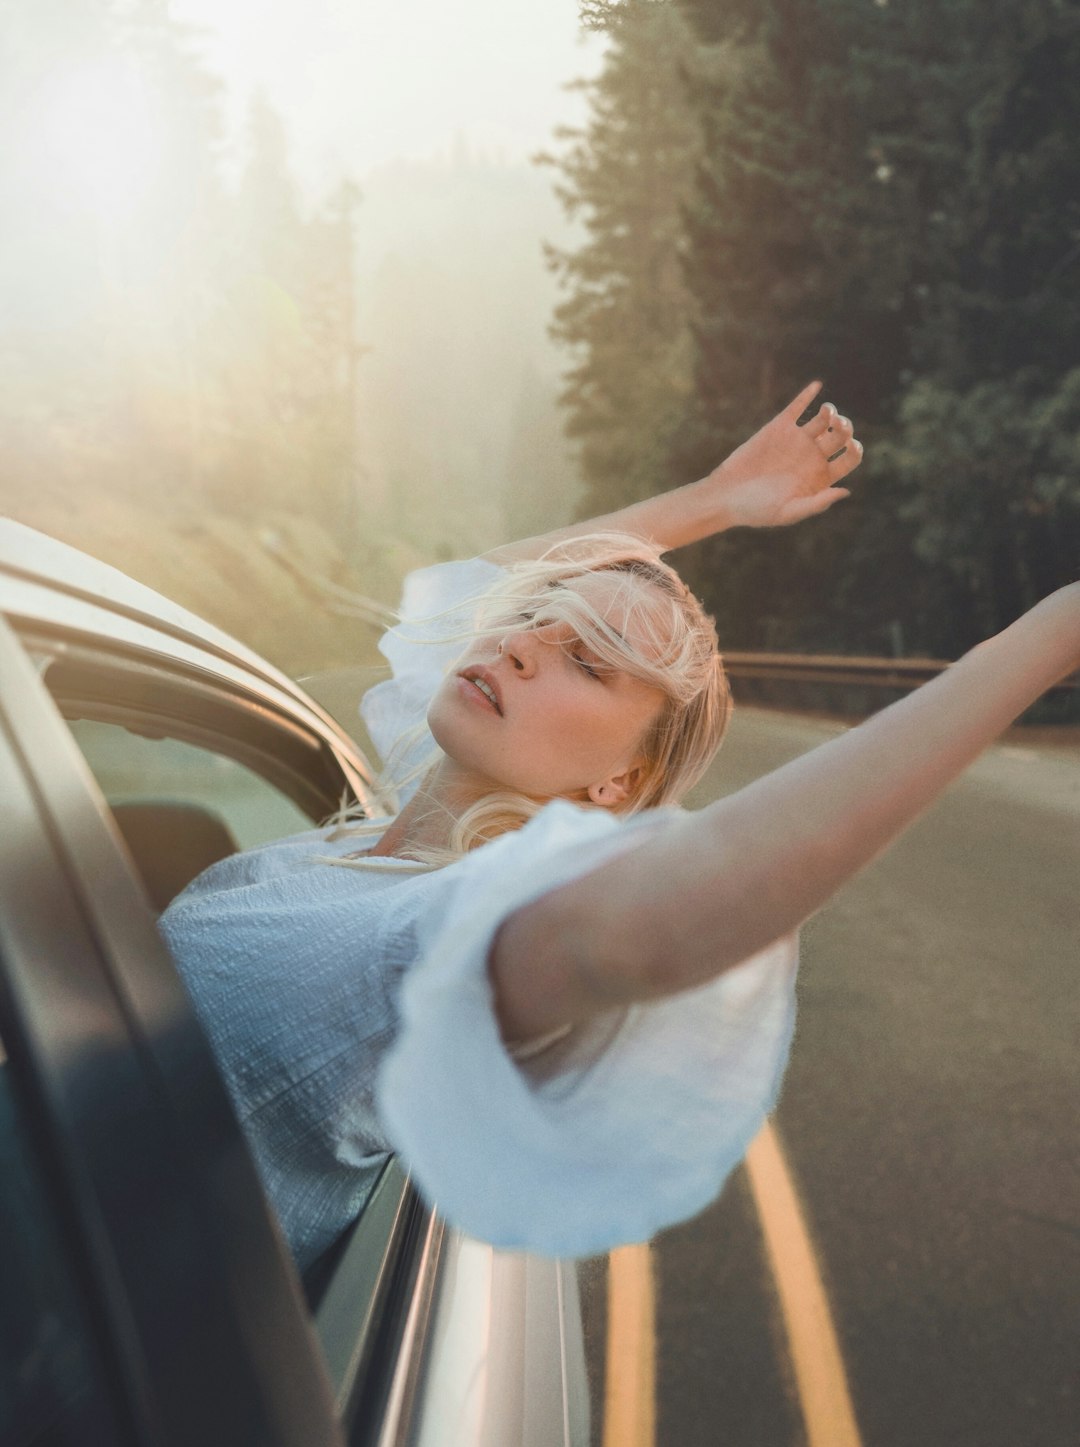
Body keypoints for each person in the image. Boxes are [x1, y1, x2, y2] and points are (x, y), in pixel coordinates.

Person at [159, 383, 1080, 1271]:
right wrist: (717, 501)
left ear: (619, 783)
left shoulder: (449, 934)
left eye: (588, 663)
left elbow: (688, 900)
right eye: (532, 619)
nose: (516, 642)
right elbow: (462, 593)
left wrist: (1049, 635)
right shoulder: (390, 816)